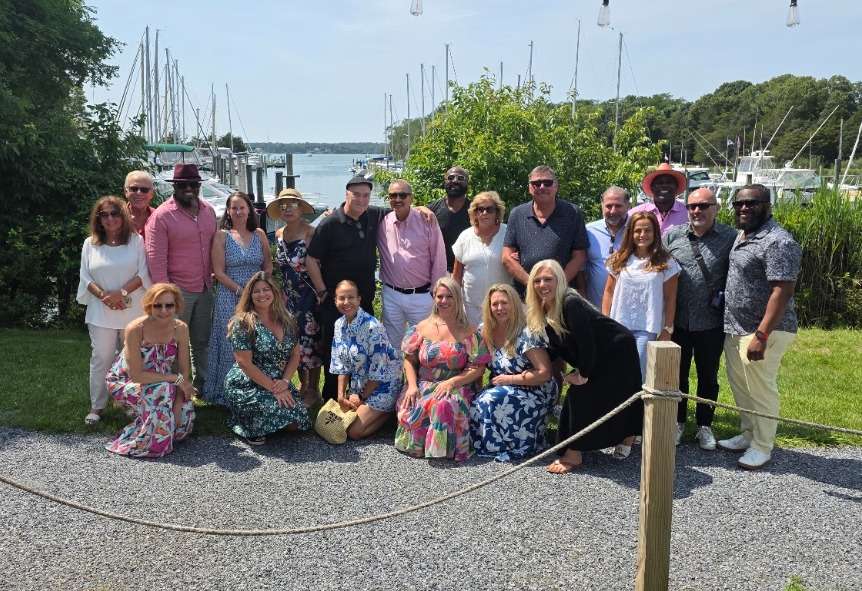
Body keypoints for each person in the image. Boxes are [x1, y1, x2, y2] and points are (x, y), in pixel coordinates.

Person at [525, 260, 643, 473]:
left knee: (585, 396)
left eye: (548, 279)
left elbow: (586, 342)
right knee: (595, 397)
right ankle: (623, 436)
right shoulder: (543, 308)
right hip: (596, 354)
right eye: (537, 280)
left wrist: (583, 375)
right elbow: (557, 346)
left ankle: (576, 453)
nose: (542, 285)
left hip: (617, 351)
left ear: (559, 281)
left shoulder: (570, 302)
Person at [718, 184, 801, 470]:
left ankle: (762, 446)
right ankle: (748, 433)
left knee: (761, 389)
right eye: (739, 203)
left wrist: (762, 335)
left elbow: (783, 290)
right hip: (736, 326)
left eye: (752, 203)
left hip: (764, 330)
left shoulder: (778, 241)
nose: (744, 208)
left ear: (767, 205)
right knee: (741, 386)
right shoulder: (744, 234)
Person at [664, 188, 736, 449]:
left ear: (716, 208)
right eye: (692, 206)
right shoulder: (672, 236)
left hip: (711, 322)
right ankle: (678, 422)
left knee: (708, 376)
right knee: (677, 375)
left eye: (704, 206)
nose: (697, 211)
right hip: (679, 320)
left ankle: (705, 425)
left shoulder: (730, 237)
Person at [306, 175, 388, 401]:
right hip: (337, 303)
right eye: (356, 195)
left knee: (364, 350)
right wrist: (322, 291)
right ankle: (333, 399)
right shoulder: (330, 223)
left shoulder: (373, 214)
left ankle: (360, 396)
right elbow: (311, 259)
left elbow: (401, 209)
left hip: (364, 301)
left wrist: (423, 210)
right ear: (346, 195)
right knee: (336, 352)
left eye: (366, 195)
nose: (361, 200)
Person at [395, 277, 490, 462]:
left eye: (449, 296)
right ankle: (421, 445)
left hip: (457, 384)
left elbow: (478, 368)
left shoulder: (469, 331)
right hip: (423, 383)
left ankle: (442, 449)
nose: (444, 301)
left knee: (443, 404)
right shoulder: (421, 328)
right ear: (434, 298)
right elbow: (409, 359)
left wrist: (452, 382)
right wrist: (412, 386)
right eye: (440, 296)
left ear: (457, 299)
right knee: (413, 400)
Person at [77, 196, 150, 425]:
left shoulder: (136, 241)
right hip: (101, 312)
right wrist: (105, 297)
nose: (110, 218)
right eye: (104, 215)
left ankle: (130, 403)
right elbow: (85, 277)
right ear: (98, 219)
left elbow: (143, 274)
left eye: (114, 213)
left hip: (133, 311)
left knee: (132, 358)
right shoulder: (90, 244)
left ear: (123, 216)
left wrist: (120, 293)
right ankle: (97, 406)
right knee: (101, 357)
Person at [145, 163, 218, 392]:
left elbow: (215, 247)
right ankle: (177, 389)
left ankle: (203, 386)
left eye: (193, 184)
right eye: (183, 184)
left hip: (205, 287)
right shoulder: (161, 216)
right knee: (174, 343)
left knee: (202, 341)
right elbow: (156, 259)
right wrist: (165, 297)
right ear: (174, 186)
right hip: (177, 291)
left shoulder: (208, 211)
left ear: (199, 186)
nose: (188, 188)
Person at [105, 283, 196, 458]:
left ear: (176, 305)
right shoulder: (135, 328)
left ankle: (153, 425)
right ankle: (151, 445)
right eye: (157, 305)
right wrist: (174, 379)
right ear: (149, 306)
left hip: (164, 379)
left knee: (184, 419)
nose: (164, 310)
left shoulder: (180, 328)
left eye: (169, 305)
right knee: (162, 392)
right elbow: (136, 375)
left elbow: (184, 371)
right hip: (126, 380)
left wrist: (177, 406)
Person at [470, 283, 557, 461]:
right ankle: (492, 445)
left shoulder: (527, 332)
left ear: (514, 304)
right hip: (503, 386)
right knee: (477, 401)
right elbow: (478, 365)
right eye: (495, 304)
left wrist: (510, 379)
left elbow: (544, 373)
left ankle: (517, 446)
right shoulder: (484, 330)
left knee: (491, 400)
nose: (499, 308)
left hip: (536, 389)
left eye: (504, 303)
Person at [223, 272, 311, 446]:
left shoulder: (288, 320)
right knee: (274, 410)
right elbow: (244, 363)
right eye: (256, 291)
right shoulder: (242, 323)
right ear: (249, 295)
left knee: (297, 421)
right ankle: (248, 426)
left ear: (274, 292)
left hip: (278, 382)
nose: (262, 294)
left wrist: (285, 381)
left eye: (266, 289)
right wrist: (274, 389)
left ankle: (265, 421)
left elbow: (295, 355)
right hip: (247, 383)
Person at [204, 191, 271, 405]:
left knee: (257, 341)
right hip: (230, 295)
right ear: (228, 211)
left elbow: (268, 265)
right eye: (234, 208)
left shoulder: (259, 234)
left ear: (249, 210)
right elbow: (218, 272)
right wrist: (242, 291)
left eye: (242, 207)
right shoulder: (222, 236)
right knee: (230, 343)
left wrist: (260, 288)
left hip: (258, 297)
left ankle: (257, 386)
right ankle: (226, 391)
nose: (239, 211)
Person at [602, 211, 680, 380]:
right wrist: (605, 322)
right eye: (638, 230)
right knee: (617, 372)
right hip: (619, 325)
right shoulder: (619, 259)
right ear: (631, 233)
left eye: (647, 230)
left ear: (655, 233)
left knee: (639, 374)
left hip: (647, 328)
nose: (642, 234)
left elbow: (670, 298)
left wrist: (667, 329)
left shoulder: (666, 261)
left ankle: (638, 399)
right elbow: (608, 292)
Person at [378, 179, 447, 348]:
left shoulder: (426, 220)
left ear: (411, 198)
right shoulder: (382, 222)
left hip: (421, 296)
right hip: (392, 295)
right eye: (393, 195)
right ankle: (395, 367)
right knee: (392, 345)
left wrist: (436, 292)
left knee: (425, 345)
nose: (398, 199)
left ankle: (417, 368)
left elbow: (438, 257)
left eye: (403, 195)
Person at [330, 280, 403, 439]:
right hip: (360, 385)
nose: (346, 302)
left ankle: (388, 413)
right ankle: (374, 414)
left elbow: (378, 371)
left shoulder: (373, 327)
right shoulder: (338, 325)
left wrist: (361, 397)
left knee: (353, 432)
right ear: (335, 301)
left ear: (359, 299)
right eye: (341, 298)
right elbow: (341, 365)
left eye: (351, 297)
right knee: (338, 426)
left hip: (383, 384)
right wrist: (341, 396)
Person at [502, 165, 589, 297]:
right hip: (526, 295)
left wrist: (557, 285)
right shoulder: (517, 214)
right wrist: (533, 285)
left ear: (556, 186)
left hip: (561, 295)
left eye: (547, 183)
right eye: (536, 183)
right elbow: (507, 257)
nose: (542, 187)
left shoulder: (572, 213)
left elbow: (580, 256)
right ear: (530, 188)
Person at [271, 188, 322, 405]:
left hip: (309, 295)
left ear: (301, 208)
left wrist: (321, 291)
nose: (287, 209)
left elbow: (319, 264)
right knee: (294, 342)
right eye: (283, 206)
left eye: (292, 205)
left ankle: (313, 389)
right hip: (288, 297)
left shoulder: (311, 233)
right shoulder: (279, 234)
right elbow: (279, 268)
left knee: (311, 342)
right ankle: (303, 384)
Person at [452, 191, 510, 326]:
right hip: (471, 308)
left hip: (502, 306)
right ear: (474, 213)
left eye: (489, 209)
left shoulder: (508, 233)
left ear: (497, 212)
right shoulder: (465, 236)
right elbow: (456, 276)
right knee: (475, 340)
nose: (484, 213)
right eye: (480, 209)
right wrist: (454, 303)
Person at [582, 186, 630, 308]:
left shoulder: (637, 230)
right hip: (595, 308)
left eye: (618, 206)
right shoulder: (589, 231)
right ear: (602, 205)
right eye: (608, 206)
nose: (613, 211)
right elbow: (581, 269)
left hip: (628, 310)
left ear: (627, 206)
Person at [428, 166, 472, 271]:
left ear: (467, 183)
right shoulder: (431, 210)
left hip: (468, 271)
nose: (455, 181)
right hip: (439, 271)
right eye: (451, 178)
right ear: (445, 181)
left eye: (460, 178)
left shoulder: (476, 210)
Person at [630, 163, 688, 235]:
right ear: (652, 188)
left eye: (669, 182)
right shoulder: (635, 213)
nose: (664, 185)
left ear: (676, 187)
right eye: (659, 183)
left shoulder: (687, 214)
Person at [123, 170, 156, 237]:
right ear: (126, 192)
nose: (139, 193)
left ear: (152, 194)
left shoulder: (159, 217)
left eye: (144, 190)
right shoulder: (115, 217)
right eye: (134, 189)